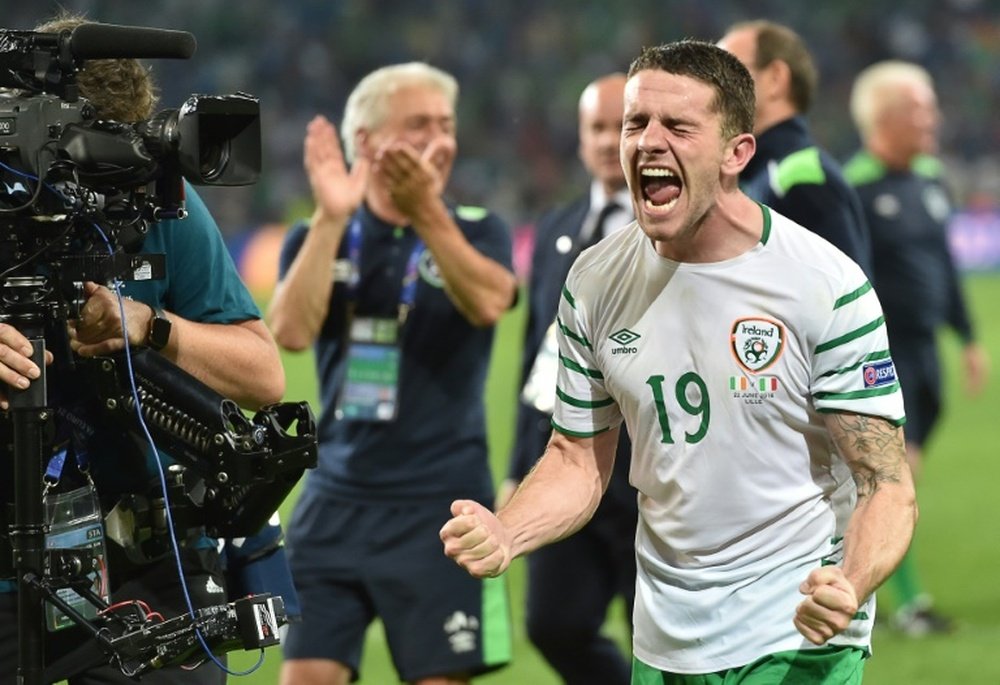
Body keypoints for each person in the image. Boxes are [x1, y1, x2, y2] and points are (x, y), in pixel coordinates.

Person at [441, 40, 918, 683]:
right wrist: (508, 533)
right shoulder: (595, 281)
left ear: (736, 152)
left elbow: (886, 484)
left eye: (678, 126)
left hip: (796, 628)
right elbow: (576, 458)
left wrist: (851, 584)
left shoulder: (822, 284)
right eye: (637, 123)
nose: (647, 141)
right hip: (666, 637)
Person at [0, 14, 290, 685]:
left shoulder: (159, 197)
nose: (114, 184)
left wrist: (152, 325)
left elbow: (264, 374)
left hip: (143, 557)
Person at [269, 62, 517, 685]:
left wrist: (426, 213)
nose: (440, 139)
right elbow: (290, 333)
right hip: (335, 500)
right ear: (367, 143)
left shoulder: (479, 229)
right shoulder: (316, 235)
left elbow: (489, 302)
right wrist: (330, 218)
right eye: (418, 125)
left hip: (442, 504)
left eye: (446, 124)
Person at [844, 60, 990, 636]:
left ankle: (864, 584)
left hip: (926, 356)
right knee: (889, 482)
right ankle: (904, 604)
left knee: (903, 480)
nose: (932, 119)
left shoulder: (929, 178)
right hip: (884, 358)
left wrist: (969, 335)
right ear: (883, 118)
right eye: (920, 108)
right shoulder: (853, 187)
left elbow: (944, 264)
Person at [504, 72, 636, 685]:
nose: (611, 140)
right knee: (552, 625)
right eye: (598, 128)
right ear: (581, 139)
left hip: (646, 468)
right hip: (566, 457)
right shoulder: (558, 228)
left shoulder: (675, 232)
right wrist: (516, 464)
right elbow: (536, 354)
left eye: (624, 125)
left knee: (659, 631)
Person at [718, 20, 873, 276]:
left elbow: (845, 301)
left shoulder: (801, 176)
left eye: (728, 73)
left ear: (775, 79)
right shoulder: (757, 174)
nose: (714, 89)